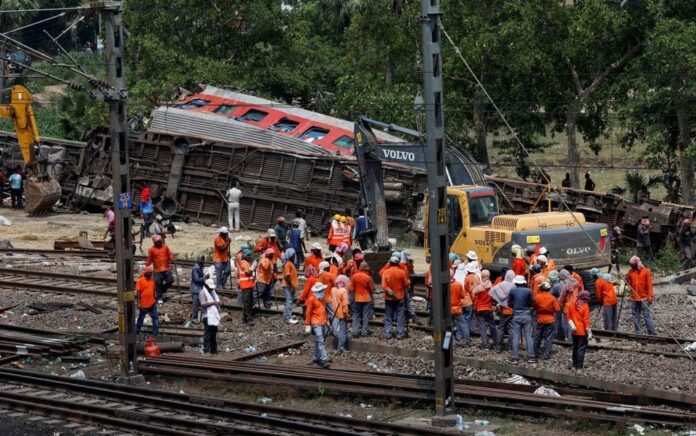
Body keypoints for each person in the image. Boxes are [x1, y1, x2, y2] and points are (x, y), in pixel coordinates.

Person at [381, 256, 410, 340]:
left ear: (390, 263)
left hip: (389, 297)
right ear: (398, 263)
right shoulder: (402, 272)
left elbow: (384, 285)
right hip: (400, 296)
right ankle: (400, 334)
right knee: (400, 316)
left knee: (388, 316)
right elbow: (406, 285)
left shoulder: (386, 272)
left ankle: (387, 333)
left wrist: (390, 291)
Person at [508, 275, 535, 363]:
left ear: (516, 282)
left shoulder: (512, 290)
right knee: (528, 336)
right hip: (526, 314)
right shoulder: (528, 291)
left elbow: (509, 303)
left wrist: (514, 306)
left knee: (516, 336)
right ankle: (531, 357)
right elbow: (532, 302)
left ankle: (514, 357)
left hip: (516, 314)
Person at [626, 256, 656, 335]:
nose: (631, 266)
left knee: (646, 315)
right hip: (634, 298)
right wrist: (626, 278)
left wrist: (650, 297)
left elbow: (649, 285)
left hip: (644, 298)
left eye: (632, 264)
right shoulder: (630, 272)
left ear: (636, 264)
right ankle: (638, 332)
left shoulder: (646, 272)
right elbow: (628, 283)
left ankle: (651, 332)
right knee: (636, 315)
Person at [305, 282, 330, 368]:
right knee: (321, 341)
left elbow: (324, 311)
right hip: (316, 323)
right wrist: (308, 324)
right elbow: (308, 312)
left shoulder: (322, 299)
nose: (323, 291)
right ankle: (324, 359)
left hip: (323, 322)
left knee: (319, 341)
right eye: (322, 290)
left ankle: (316, 357)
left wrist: (327, 320)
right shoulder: (312, 299)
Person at [533, 281, 560, 359]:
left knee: (537, 336)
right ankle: (546, 354)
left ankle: (535, 352)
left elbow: (534, 307)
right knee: (549, 337)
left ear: (541, 288)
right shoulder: (552, 298)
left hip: (540, 319)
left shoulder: (537, 297)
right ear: (549, 289)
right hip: (550, 320)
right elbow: (557, 309)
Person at [566, 290, 592, 369]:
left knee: (575, 347)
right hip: (582, 331)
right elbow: (586, 320)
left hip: (574, 331)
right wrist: (589, 331)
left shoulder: (571, 304)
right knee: (581, 348)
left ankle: (574, 364)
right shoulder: (585, 306)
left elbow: (568, 317)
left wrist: (573, 326)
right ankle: (579, 365)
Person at [491, 270, 515, 352]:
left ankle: (498, 347)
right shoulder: (515, 286)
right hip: (512, 311)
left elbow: (493, 291)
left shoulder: (501, 285)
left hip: (504, 311)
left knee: (501, 328)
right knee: (512, 329)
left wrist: (500, 301)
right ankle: (509, 346)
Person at [145, 235, 174, 302]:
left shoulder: (165, 247)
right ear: (154, 242)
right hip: (157, 270)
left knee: (170, 280)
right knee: (158, 283)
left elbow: (169, 254)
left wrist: (171, 257)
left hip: (166, 268)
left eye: (159, 241)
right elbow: (149, 259)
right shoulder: (151, 250)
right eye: (157, 242)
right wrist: (146, 267)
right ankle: (159, 297)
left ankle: (163, 289)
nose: (158, 243)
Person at [473, 269, 496, 350]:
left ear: (482, 276)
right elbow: (493, 298)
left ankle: (485, 344)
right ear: (489, 276)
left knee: (482, 327)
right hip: (488, 308)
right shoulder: (491, 286)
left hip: (479, 309)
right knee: (492, 325)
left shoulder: (478, 288)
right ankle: (496, 342)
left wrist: (475, 309)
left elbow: (475, 299)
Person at [350, 262, 374, 337]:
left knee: (356, 315)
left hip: (357, 298)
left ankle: (355, 332)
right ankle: (364, 332)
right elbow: (372, 289)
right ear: (365, 268)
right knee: (365, 316)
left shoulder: (354, 276)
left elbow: (351, 289)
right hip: (366, 299)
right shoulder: (367, 277)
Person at [199, 278, 221, 355]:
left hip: (213, 315)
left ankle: (213, 349)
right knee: (208, 333)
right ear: (206, 286)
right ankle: (206, 350)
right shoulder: (202, 293)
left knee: (214, 332)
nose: (211, 289)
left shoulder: (212, 292)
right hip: (207, 315)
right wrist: (213, 303)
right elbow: (203, 304)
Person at [135, 266, 159, 336]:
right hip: (143, 305)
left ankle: (155, 333)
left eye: (151, 273)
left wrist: (156, 299)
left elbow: (154, 290)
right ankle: (137, 331)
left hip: (152, 303)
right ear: (145, 273)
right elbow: (138, 293)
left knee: (155, 318)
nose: (150, 274)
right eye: (149, 272)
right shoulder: (140, 281)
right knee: (141, 318)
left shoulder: (152, 280)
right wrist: (138, 304)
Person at [185, 255, 207, 328]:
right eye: (202, 260)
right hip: (195, 289)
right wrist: (205, 278)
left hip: (199, 289)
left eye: (203, 260)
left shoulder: (200, 267)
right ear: (199, 261)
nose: (203, 261)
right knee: (195, 305)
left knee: (200, 304)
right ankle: (194, 318)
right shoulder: (196, 268)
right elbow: (196, 279)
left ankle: (199, 317)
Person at [331, 275, 350, 352]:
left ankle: (343, 343)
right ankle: (341, 347)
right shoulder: (343, 291)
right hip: (342, 313)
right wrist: (346, 313)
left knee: (341, 329)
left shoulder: (333, 289)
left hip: (335, 312)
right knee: (343, 330)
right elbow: (345, 304)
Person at [238, 250, 256, 325]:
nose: (251, 257)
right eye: (250, 256)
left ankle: (244, 318)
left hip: (248, 285)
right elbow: (248, 273)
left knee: (248, 302)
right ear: (247, 256)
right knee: (247, 303)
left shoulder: (246, 263)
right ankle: (249, 319)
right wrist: (253, 267)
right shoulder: (244, 263)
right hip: (246, 287)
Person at [283, 248, 299, 324]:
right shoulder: (288, 264)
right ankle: (288, 318)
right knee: (289, 301)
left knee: (290, 301)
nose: (294, 256)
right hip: (288, 285)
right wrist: (292, 286)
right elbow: (287, 276)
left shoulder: (291, 263)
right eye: (293, 255)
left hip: (291, 285)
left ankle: (287, 314)